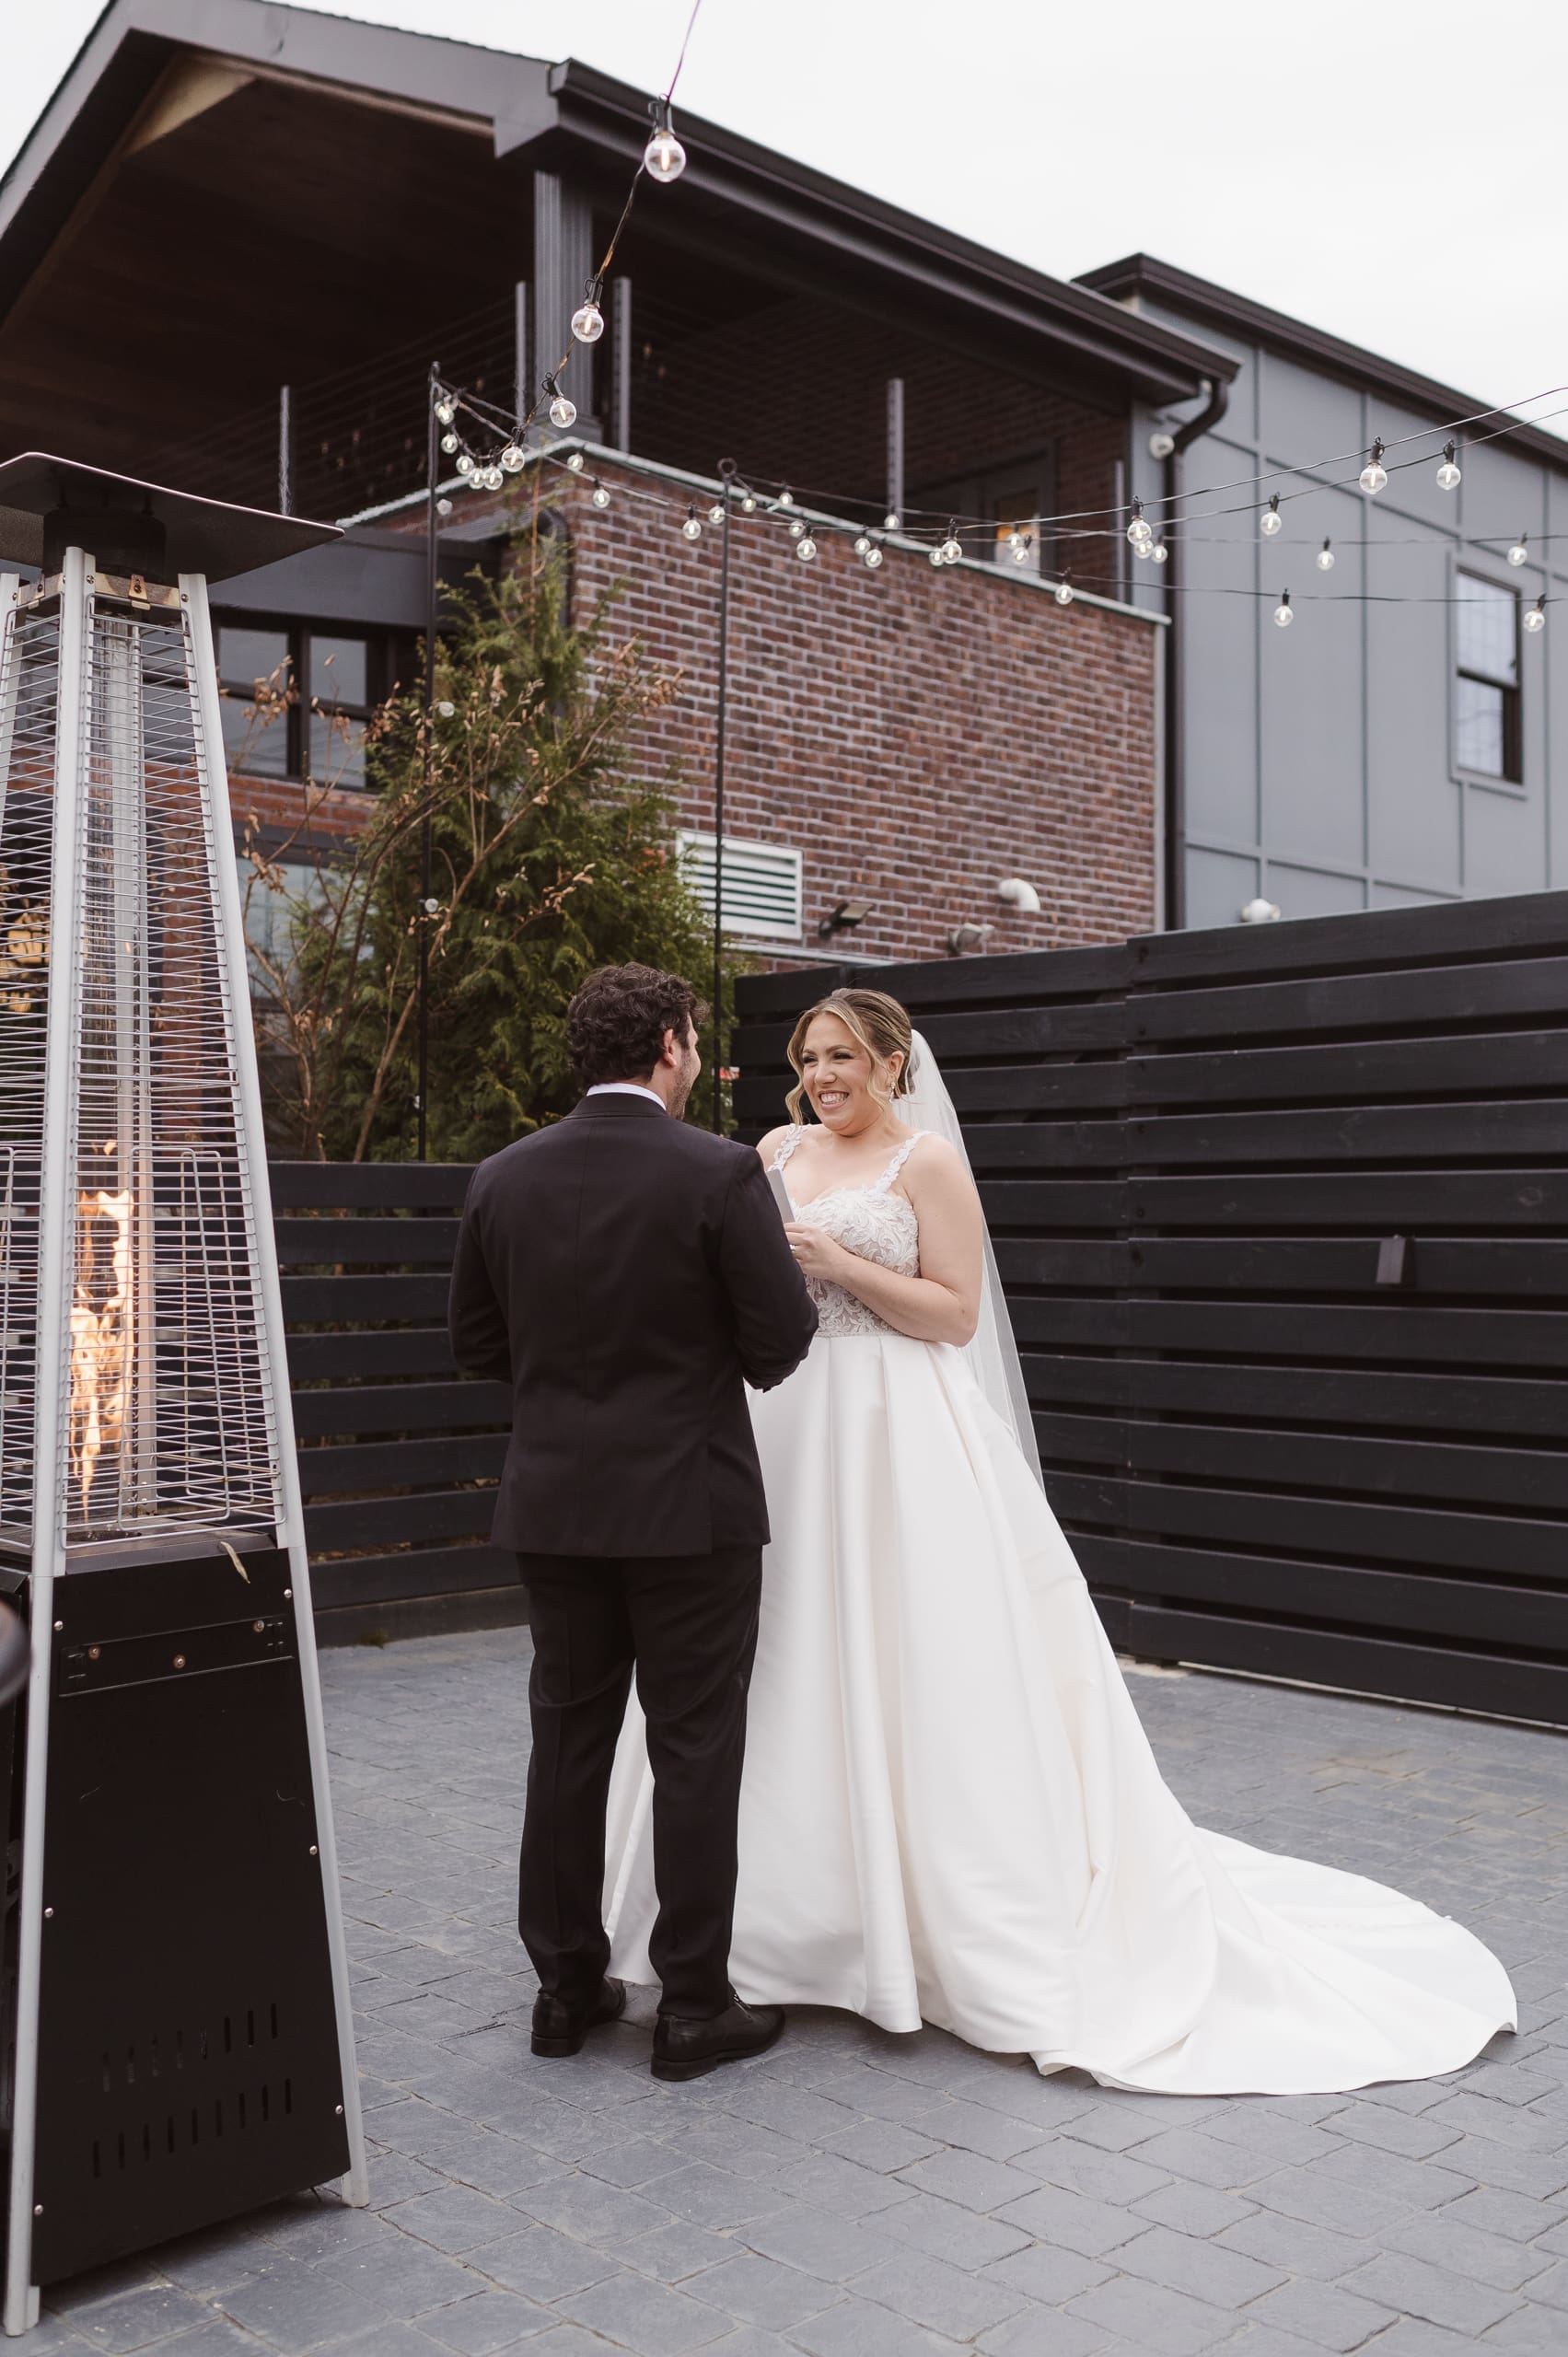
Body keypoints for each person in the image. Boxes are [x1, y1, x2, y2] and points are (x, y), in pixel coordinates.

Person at [602, 987, 1516, 2095]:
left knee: (909, 1650)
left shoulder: (926, 1163)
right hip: (781, 1425)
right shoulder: (772, 1152)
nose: (822, 1075)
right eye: (808, 1058)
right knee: (772, 1654)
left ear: (890, 1062)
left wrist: (841, 1267)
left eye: (841, 1055)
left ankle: (918, 1916)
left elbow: (953, 1315)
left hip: (895, 1430)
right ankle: (760, 1924)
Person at [448, 964, 818, 2082]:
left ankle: (565, 1992)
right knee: (693, 1748)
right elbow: (779, 1338)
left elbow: (477, 1344)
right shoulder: (717, 1171)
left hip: (554, 1504)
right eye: (693, 1039)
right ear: (667, 1044)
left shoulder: (502, 1176)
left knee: (566, 1741)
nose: (694, 1054)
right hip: (688, 1507)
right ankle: (692, 2008)